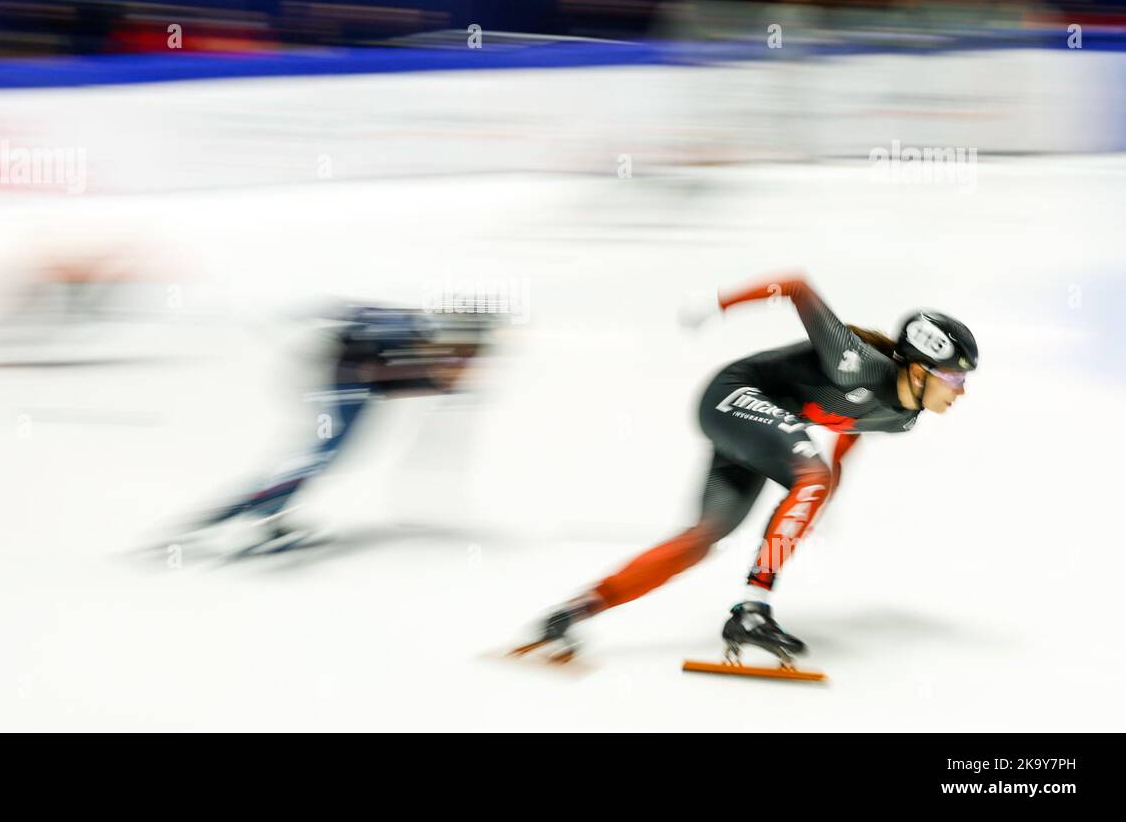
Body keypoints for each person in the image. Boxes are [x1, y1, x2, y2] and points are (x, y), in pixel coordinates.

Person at [528, 275, 978, 664]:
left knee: (703, 538)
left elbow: (854, 423)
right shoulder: (855, 360)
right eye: (955, 378)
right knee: (812, 477)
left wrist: (833, 477)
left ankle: (573, 612)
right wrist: (717, 304)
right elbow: (797, 286)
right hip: (732, 394)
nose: (960, 392)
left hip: (755, 427)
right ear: (920, 371)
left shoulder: (903, 419)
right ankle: (752, 611)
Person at [181, 304, 492, 556]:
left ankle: (258, 504)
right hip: (345, 378)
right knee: (327, 450)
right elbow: (351, 324)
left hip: (356, 380)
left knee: (328, 452)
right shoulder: (406, 330)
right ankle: (262, 507)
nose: (466, 361)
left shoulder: (438, 343)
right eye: (464, 351)